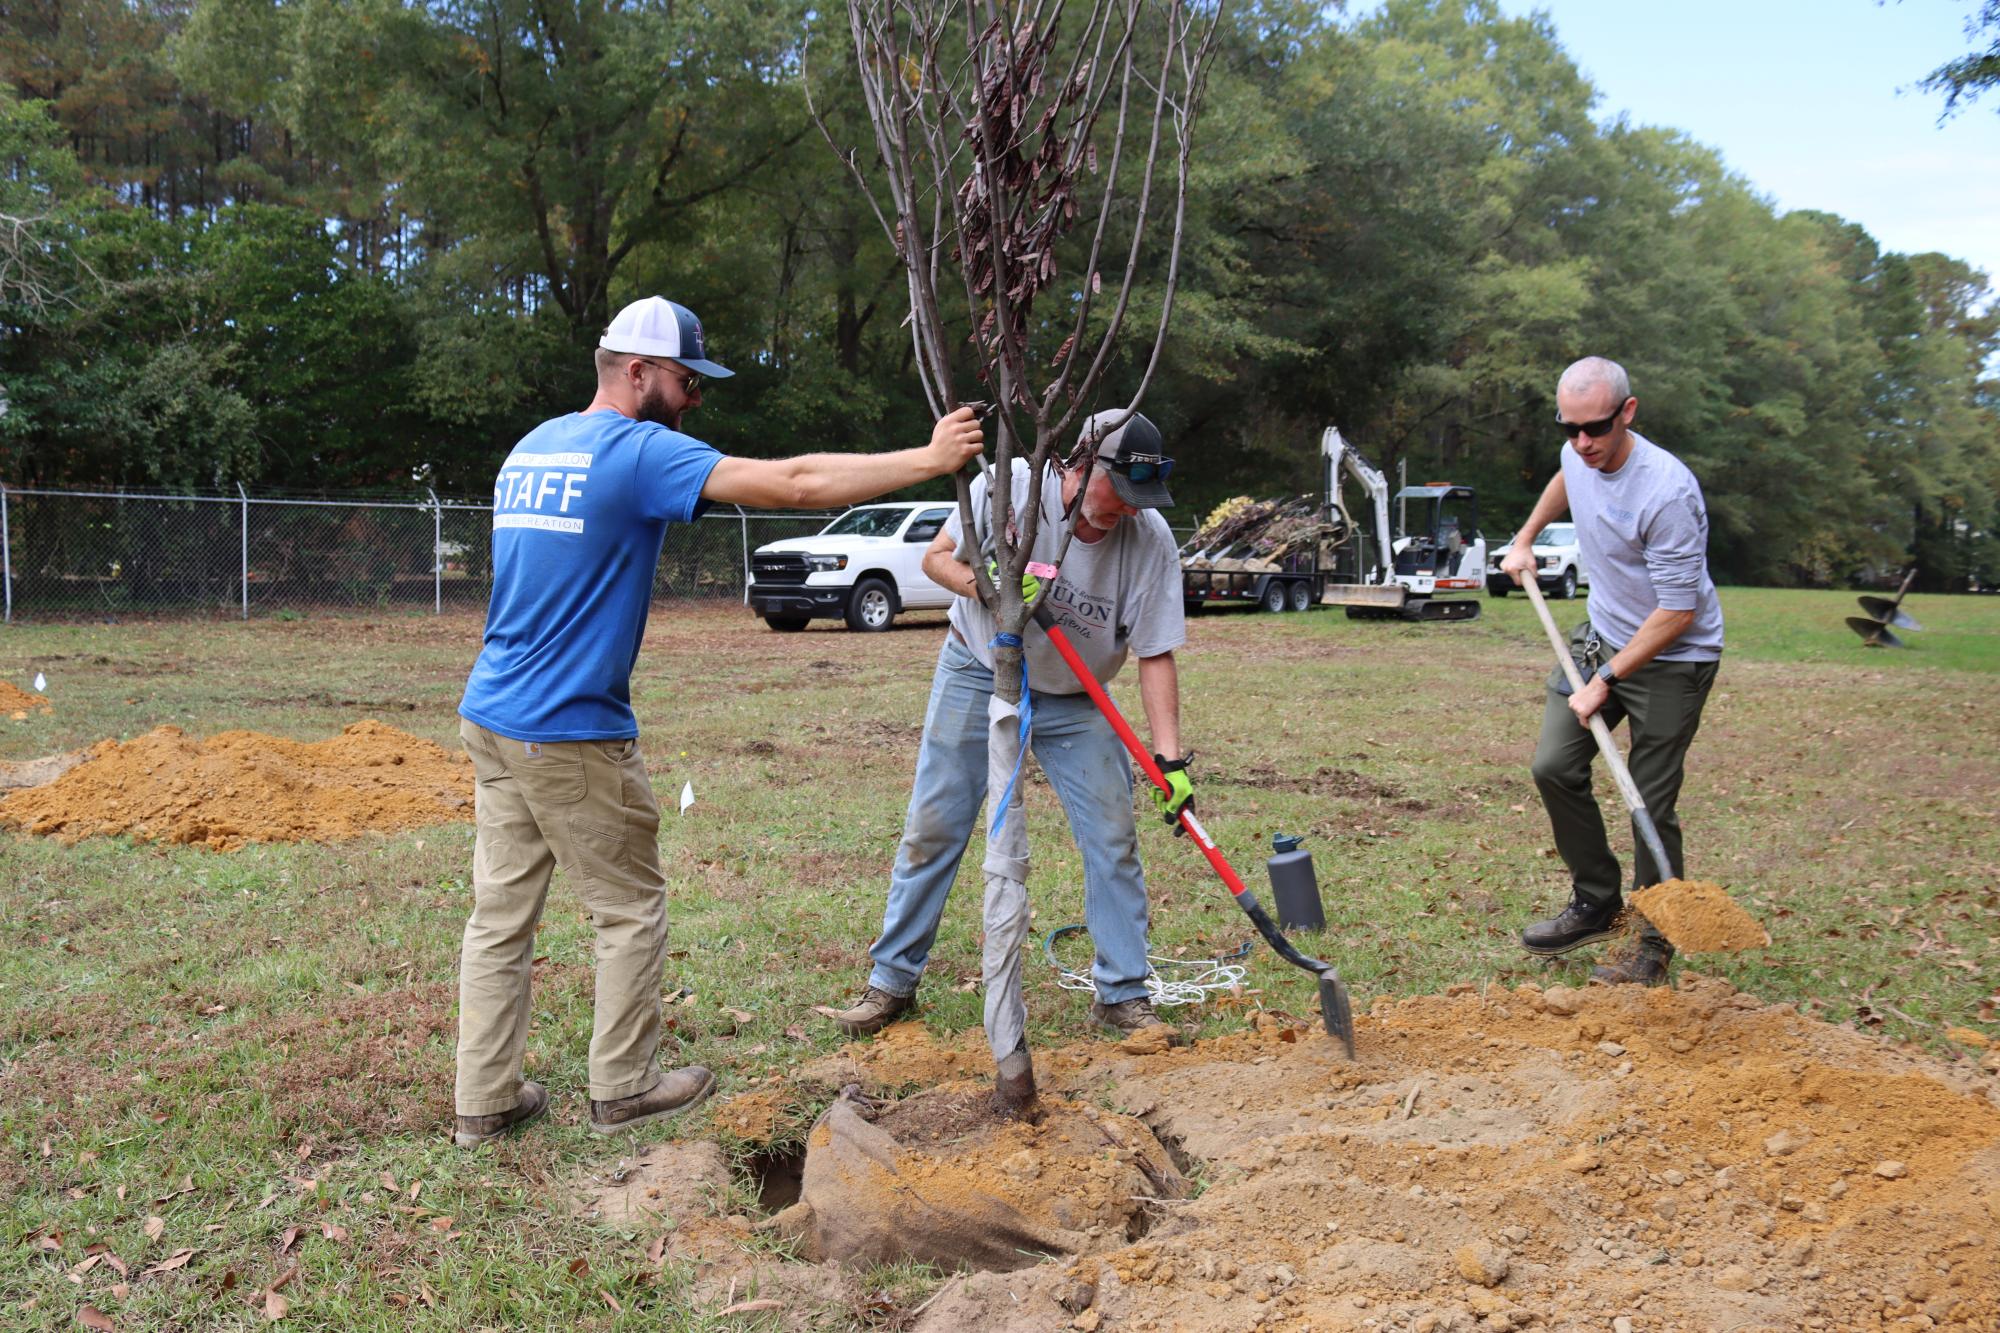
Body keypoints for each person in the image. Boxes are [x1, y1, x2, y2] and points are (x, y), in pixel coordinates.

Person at [452, 296, 984, 1148]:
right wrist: (928, 458)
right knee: (629, 907)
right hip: (569, 724)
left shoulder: (533, 447)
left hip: (492, 711)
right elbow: (796, 483)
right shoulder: (633, 450)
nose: (695, 399)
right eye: (685, 381)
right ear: (636, 373)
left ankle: (484, 1101)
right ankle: (623, 1086)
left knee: (499, 916)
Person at [825, 410, 1191, 1046]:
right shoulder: (1012, 486)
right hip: (978, 666)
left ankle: (1124, 993)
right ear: (1079, 467)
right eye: (1119, 494)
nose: (1128, 511)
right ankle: (891, 981)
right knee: (935, 825)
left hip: (1078, 695)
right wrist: (992, 588)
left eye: (1141, 500)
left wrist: (1170, 759)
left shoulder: (1150, 540)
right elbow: (940, 559)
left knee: (1113, 837)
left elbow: (1156, 651)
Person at [1503, 356, 1724, 986]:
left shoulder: (1667, 492)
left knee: (1648, 805)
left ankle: (1653, 943)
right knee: (1553, 765)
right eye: (1569, 428)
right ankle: (1596, 901)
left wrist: (1605, 681)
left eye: (1594, 428)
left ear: (1627, 412)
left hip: (1675, 658)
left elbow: (1679, 611)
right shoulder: (1581, 453)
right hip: (1601, 637)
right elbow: (1566, 479)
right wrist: (1526, 537)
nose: (1581, 443)